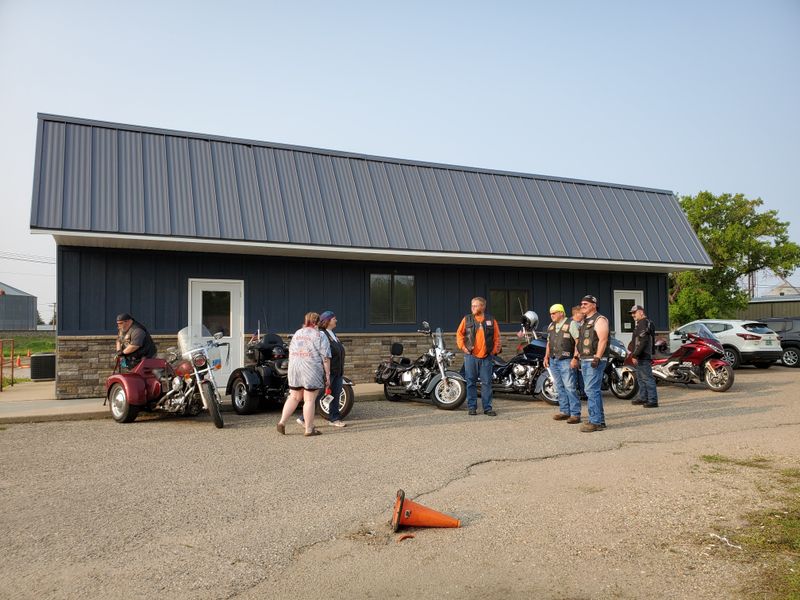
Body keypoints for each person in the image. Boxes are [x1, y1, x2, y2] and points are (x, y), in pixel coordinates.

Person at [277, 312, 330, 437]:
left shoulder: (297, 333)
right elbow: (326, 357)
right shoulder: (320, 335)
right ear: (317, 322)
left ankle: (282, 422)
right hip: (311, 369)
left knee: (294, 396)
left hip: (294, 368)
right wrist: (327, 375)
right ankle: (309, 429)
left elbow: (291, 350)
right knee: (309, 399)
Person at [298, 310, 347, 427]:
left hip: (337, 370)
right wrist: (327, 372)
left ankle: (334, 418)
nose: (336, 320)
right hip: (327, 371)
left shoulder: (333, 334)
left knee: (335, 393)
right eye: (334, 318)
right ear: (328, 321)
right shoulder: (322, 334)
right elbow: (322, 353)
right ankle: (303, 418)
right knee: (317, 395)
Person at [456, 297, 501, 416]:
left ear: (483, 307)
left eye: (476, 306)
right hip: (471, 356)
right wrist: (463, 347)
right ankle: (472, 407)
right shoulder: (467, 319)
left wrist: (494, 350)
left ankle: (487, 408)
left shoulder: (491, 320)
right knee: (471, 382)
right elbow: (459, 334)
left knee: (486, 383)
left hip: (486, 357)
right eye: (472, 306)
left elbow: (496, 337)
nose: (473, 308)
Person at [571, 295, 609, 433]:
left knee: (591, 390)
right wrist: (575, 357)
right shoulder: (584, 322)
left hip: (594, 360)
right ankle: (599, 420)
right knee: (592, 391)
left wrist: (597, 358)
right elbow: (579, 342)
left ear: (594, 305)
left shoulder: (600, 319)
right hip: (584, 360)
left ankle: (595, 422)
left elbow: (603, 340)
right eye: (581, 304)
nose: (582, 306)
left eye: (586, 304)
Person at [544, 303, 582, 423]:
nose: (552, 316)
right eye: (550, 314)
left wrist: (575, 358)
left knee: (570, 387)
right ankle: (564, 411)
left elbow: (578, 341)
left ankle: (575, 414)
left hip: (566, 360)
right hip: (553, 360)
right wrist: (546, 357)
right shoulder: (551, 326)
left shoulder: (571, 324)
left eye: (554, 313)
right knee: (559, 387)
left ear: (561, 312)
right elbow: (548, 343)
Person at [629, 304, 659, 408]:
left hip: (643, 355)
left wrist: (635, 355)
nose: (633, 315)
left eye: (634, 312)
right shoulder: (643, 323)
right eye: (631, 313)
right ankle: (643, 397)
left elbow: (643, 341)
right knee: (641, 378)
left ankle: (652, 400)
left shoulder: (644, 323)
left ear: (641, 312)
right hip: (641, 355)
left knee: (647, 378)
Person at [570, 305, 588, 402]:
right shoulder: (572, 324)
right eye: (582, 313)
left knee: (580, 373)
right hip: (574, 353)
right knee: (577, 373)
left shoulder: (579, 323)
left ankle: (582, 392)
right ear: (576, 314)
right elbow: (577, 341)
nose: (583, 315)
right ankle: (581, 393)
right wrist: (576, 355)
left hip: (579, 352)